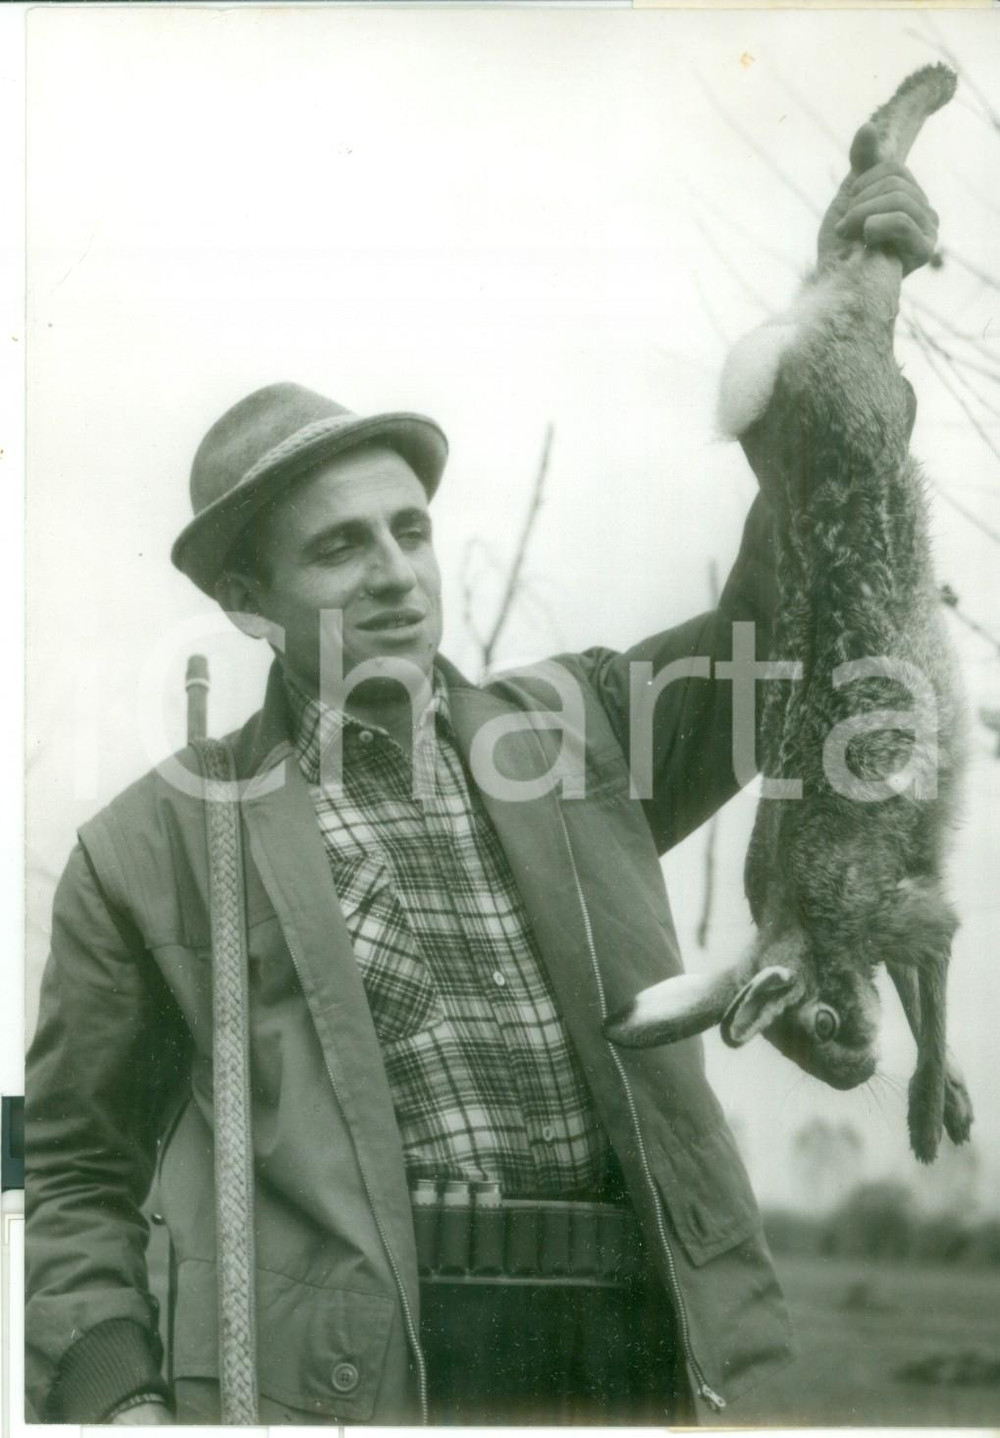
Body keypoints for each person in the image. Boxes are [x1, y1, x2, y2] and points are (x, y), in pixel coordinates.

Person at [25, 127, 940, 1426]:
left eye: (409, 529)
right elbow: (74, 1171)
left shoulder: (589, 725)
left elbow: (783, 636)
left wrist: (852, 330)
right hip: (375, 1378)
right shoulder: (153, 847)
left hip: (645, 1349)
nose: (397, 568)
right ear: (246, 598)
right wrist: (116, 1395)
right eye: (340, 546)